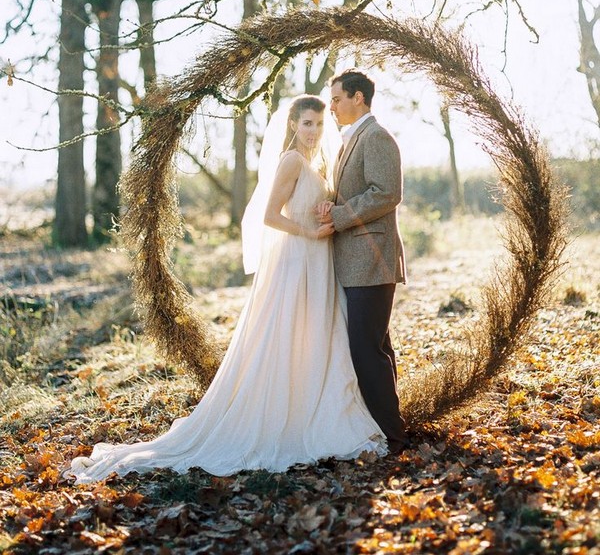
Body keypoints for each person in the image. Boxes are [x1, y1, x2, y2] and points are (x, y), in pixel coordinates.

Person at [67, 95, 386, 484]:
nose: (314, 131)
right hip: (297, 259)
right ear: (292, 125)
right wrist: (309, 231)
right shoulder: (290, 161)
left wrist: (325, 210)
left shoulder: (318, 163)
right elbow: (269, 216)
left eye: (319, 124)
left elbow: (316, 202)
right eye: (307, 124)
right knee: (286, 336)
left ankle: (319, 407)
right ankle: (286, 416)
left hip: (319, 260)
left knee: (319, 335)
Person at [316, 71, 407, 454]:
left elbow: (387, 193)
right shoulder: (348, 141)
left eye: (337, 99)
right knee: (375, 346)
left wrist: (337, 217)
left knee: (365, 349)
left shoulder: (377, 137)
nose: (332, 106)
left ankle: (394, 436)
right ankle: (388, 426)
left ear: (358, 97)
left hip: (373, 258)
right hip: (355, 260)